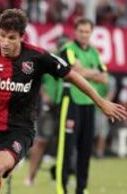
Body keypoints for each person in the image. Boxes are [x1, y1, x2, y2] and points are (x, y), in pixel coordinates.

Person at [0, 9, 127, 194]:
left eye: (11, 38)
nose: (5, 43)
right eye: (2, 36)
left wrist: (101, 101)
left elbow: (72, 75)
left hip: (18, 130)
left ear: (21, 37)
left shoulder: (38, 56)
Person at [55, 17, 109, 194]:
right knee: (66, 148)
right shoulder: (68, 49)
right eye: (81, 31)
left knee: (86, 149)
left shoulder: (94, 52)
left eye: (87, 32)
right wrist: (93, 72)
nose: (84, 35)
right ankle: (62, 188)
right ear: (75, 32)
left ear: (91, 33)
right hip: (71, 102)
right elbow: (72, 72)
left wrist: (84, 71)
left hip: (89, 103)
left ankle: (81, 189)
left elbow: (104, 77)